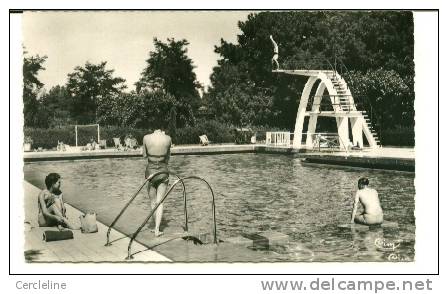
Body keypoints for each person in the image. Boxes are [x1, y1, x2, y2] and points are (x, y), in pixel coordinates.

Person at [142, 129, 172, 237]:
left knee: (153, 202)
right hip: (163, 171)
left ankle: (155, 225)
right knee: (160, 202)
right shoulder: (168, 138)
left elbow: (144, 155)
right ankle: (157, 229)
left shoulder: (146, 137)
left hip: (150, 171)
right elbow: (168, 158)